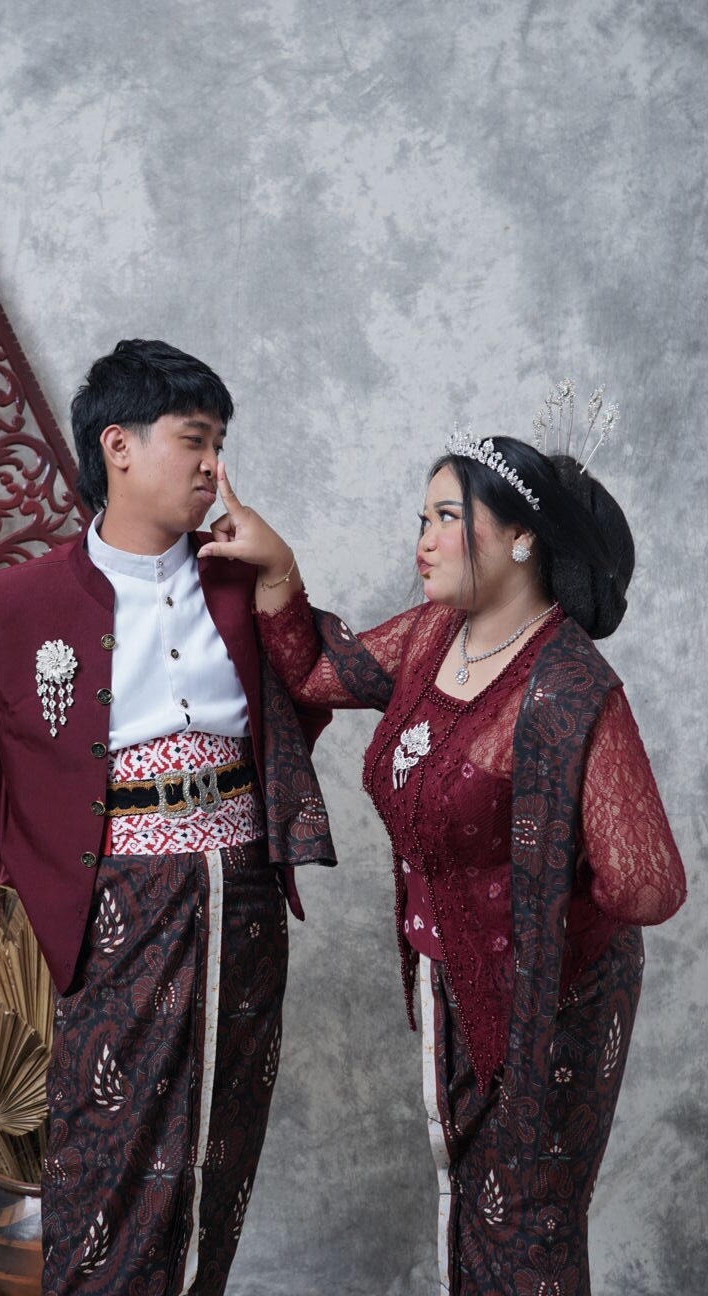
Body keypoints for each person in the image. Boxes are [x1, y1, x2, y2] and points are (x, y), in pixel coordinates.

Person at [196, 413, 687, 1295]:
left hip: (554, 997)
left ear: (522, 537)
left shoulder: (569, 689)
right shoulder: (434, 636)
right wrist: (276, 565)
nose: (422, 540)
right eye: (422, 519)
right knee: (471, 1206)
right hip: (451, 977)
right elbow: (317, 673)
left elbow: (649, 886)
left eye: (447, 518)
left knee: (527, 1225)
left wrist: (539, 879)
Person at [0, 339, 335, 1296]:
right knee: (111, 1157)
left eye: (220, 444)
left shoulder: (238, 578)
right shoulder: (6, 605)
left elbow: (315, 690)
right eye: (195, 440)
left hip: (245, 899)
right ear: (119, 446)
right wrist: (23, 851)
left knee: (220, 1149)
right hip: (119, 905)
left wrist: (284, 576)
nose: (214, 466)